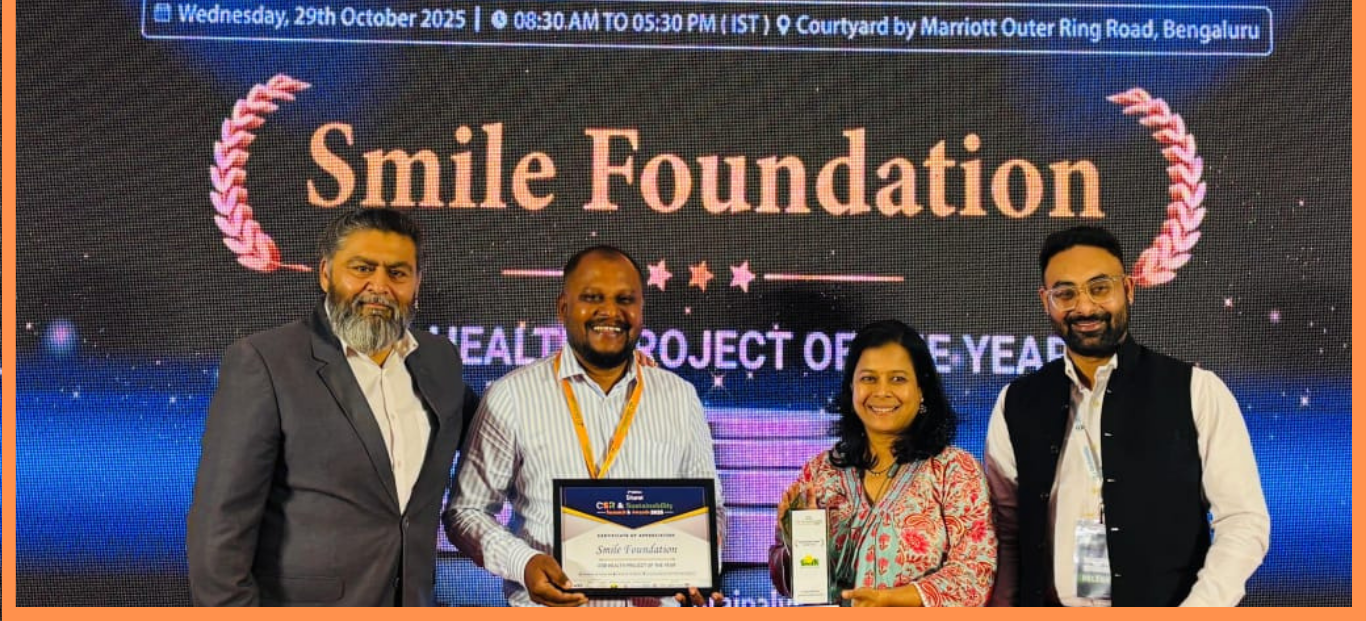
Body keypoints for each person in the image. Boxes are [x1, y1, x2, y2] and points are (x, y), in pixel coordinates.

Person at [187, 207, 477, 606]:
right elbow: (220, 528)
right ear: (326, 273)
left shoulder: (439, 359)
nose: (379, 286)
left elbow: (501, 434)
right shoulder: (266, 362)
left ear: (416, 283)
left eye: (397, 273)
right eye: (362, 269)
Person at [985, 225, 1270, 606]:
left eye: (1100, 288)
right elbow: (1004, 531)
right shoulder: (1016, 402)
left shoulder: (1197, 391)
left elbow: (1243, 522)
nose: (1085, 307)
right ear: (1045, 301)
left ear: (1128, 289)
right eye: (1065, 293)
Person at [445, 245, 726, 607]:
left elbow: (711, 508)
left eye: (625, 299)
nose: (610, 311)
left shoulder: (680, 397)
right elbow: (465, 512)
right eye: (592, 297)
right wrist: (524, 563)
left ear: (641, 310)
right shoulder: (511, 396)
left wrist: (700, 566)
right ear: (563, 308)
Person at [770, 319, 997, 607]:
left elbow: (975, 574)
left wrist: (891, 601)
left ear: (922, 389)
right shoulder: (820, 472)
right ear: (852, 386)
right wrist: (798, 542)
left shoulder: (954, 470)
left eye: (898, 379)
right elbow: (799, 588)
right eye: (869, 379)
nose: (881, 392)